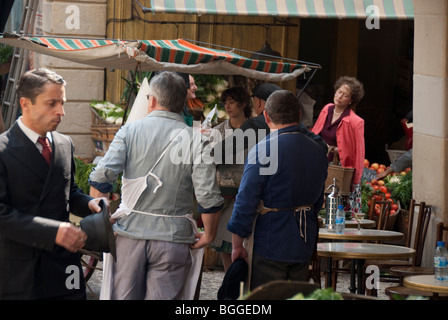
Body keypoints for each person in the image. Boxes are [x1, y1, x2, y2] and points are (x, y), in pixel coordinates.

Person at [89, 71, 223, 300]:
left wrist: (102, 213)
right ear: (184, 103)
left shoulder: (129, 131)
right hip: (173, 241)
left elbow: (101, 178)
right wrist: (209, 234)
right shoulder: (196, 139)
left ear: (151, 99)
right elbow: (208, 196)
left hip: (129, 235)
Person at [0, 68, 105, 300]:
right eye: (52, 103)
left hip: (64, 266)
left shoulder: (64, 144)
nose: (61, 112)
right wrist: (54, 231)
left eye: (62, 102)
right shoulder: (2, 150)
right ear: (25, 104)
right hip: (20, 271)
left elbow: (69, 192)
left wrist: (90, 203)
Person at [227, 90, 328, 291]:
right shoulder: (319, 150)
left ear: (266, 116)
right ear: (299, 115)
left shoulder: (263, 149)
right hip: (303, 241)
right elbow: (318, 200)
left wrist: (237, 244)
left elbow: (246, 200)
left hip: (270, 241)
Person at [209, 86, 252, 272]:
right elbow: (209, 160)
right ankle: (230, 281)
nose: (228, 106)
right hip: (223, 193)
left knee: (245, 246)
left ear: (243, 104)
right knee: (225, 246)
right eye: (225, 102)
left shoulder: (255, 129)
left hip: (247, 192)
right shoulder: (218, 131)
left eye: (232, 102)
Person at [311, 76, 365, 213]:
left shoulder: (355, 121)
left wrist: (335, 150)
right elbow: (314, 134)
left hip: (339, 168)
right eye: (339, 92)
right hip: (320, 162)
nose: (339, 96)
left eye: (345, 95)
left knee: (335, 208)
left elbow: (358, 152)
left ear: (351, 101)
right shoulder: (327, 109)